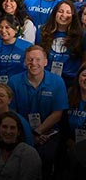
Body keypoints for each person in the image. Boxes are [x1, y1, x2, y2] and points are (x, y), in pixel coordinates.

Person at [7, 45, 67, 177]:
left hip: (48, 133)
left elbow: (57, 114)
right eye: (30, 59)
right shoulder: (13, 82)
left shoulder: (57, 82)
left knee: (45, 159)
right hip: (20, 132)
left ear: (45, 62)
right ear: (24, 62)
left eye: (38, 59)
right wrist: (29, 135)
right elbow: (12, 112)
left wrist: (37, 132)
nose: (34, 63)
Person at [38, 0, 85, 81]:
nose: (64, 15)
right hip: (46, 78)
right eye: (60, 11)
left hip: (70, 80)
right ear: (55, 13)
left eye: (68, 12)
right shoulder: (42, 31)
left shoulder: (81, 35)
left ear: (73, 16)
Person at [0, 112, 42, 180]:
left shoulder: (28, 153)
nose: (8, 131)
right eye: (4, 127)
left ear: (18, 132)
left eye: (12, 128)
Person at [0, 15, 32, 86]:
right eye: (1, 27)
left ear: (16, 29)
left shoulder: (27, 47)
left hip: (18, 89)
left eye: (7, 27)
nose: (3, 30)